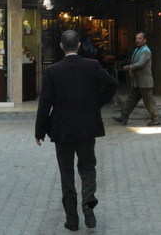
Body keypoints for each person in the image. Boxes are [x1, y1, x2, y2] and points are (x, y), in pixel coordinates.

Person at [35, 30, 118, 231]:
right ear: (79, 45)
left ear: (62, 46)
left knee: (66, 173)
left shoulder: (53, 71)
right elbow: (111, 85)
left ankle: (72, 219)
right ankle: (88, 207)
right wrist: (95, 104)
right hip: (87, 127)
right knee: (88, 168)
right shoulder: (92, 66)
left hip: (62, 129)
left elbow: (45, 103)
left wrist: (40, 130)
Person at [113, 31, 160, 126]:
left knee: (148, 102)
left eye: (139, 38)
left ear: (145, 40)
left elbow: (141, 64)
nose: (137, 40)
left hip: (145, 82)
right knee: (131, 100)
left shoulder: (146, 51)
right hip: (137, 82)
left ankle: (155, 119)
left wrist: (129, 67)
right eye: (136, 38)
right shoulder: (137, 50)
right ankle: (124, 117)